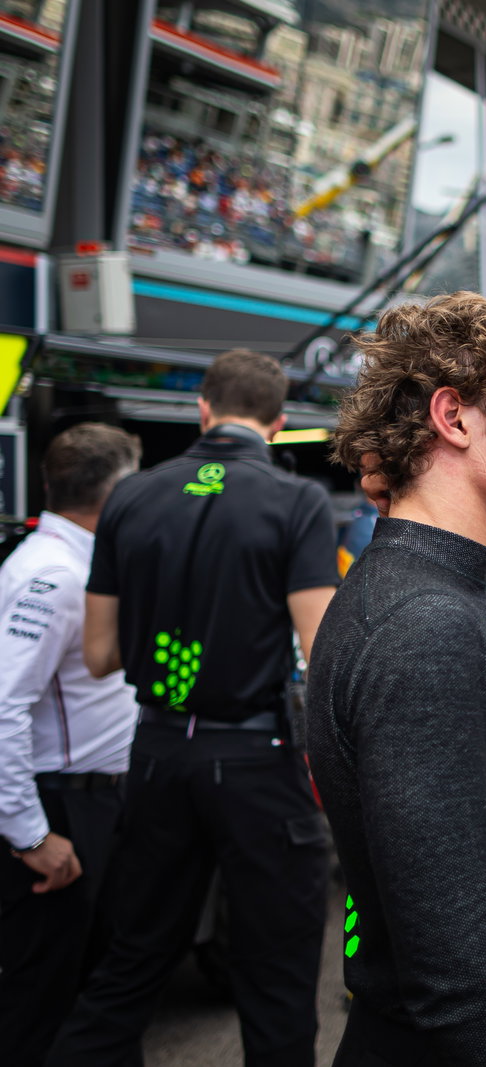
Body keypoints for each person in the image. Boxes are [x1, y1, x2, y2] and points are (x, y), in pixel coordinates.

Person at [307, 291, 486, 1064]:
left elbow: (473, 537)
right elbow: (457, 978)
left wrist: (399, 462)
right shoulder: (425, 628)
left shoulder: (424, 589)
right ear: (455, 417)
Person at [48, 350, 338, 1067]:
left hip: (155, 756)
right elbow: (324, 650)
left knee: (130, 963)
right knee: (275, 984)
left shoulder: (129, 499)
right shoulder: (296, 501)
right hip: (254, 762)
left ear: (202, 410)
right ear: (276, 423)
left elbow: (99, 656)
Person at [1, 423, 141, 1066]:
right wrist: (30, 835)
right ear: (111, 494)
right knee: (47, 1003)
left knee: (97, 994)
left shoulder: (76, 561)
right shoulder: (53, 575)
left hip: (95, 805)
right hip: (63, 812)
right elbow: (4, 705)